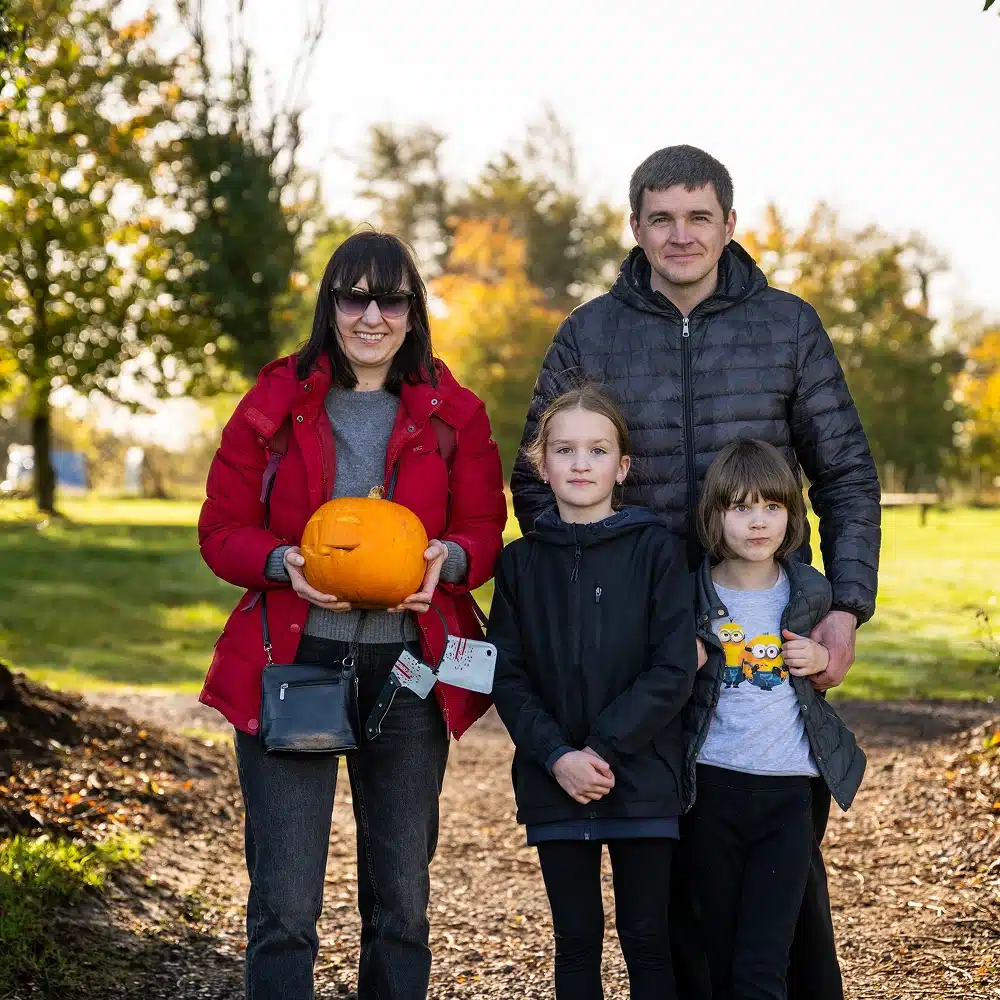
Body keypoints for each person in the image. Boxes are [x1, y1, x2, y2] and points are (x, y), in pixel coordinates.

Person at [510, 145, 881, 999]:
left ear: (729, 226)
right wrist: (601, 605)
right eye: (662, 218)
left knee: (783, 873)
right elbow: (538, 481)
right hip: (643, 648)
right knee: (669, 868)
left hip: (762, 622)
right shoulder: (589, 332)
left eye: (698, 216)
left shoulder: (788, 326)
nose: (680, 234)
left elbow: (847, 475)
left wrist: (845, 608)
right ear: (635, 226)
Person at [198, 231, 507, 1000]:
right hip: (295, 663)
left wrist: (450, 562)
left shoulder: (454, 414)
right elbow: (222, 529)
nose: (372, 314)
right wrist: (283, 564)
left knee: (401, 901)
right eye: (354, 296)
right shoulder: (273, 404)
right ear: (330, 306)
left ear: (412, 311)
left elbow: (482, 528)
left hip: (408, 673)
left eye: (390, 298)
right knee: (284, 901)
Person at [489, 386, 697, 1000]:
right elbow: (507, 672)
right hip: (553, 780)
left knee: (647, 937)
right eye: (564, 450)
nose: (581, 463)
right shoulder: (520, 563)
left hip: (641, 777)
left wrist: (602, 749)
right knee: (576, 939)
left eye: (597, 450)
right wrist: (558, 756)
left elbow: (672, 669)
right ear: (541, 464)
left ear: (622, 466)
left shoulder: (657, 551)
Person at [681, 438, 865, 1000]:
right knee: (718, 951)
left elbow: (823, 671)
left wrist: (818, 659)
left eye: (772, 507)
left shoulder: (810, 591)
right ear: (713, 517)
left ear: (791, 515)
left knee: (766, 961)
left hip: (788, 796)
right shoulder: (692, 595)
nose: (757, 522)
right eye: (740, 507)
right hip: (711, 791)